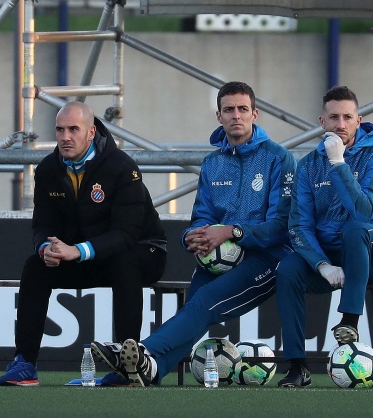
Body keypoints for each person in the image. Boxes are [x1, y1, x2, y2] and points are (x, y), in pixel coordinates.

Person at [92, 81, 296, 387]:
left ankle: (138, 353)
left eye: (243, 109)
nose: (236, 116)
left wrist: (232, 231)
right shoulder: (213, 163)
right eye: (229, 110)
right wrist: (192, 236)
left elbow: (281, 225)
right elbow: (203, 216)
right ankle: (149, 371)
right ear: (219, 116)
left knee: (204, 303)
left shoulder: (279, 158)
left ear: (255, 114)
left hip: (269, 257)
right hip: (221, 257)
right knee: (195, 308)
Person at [0, 101, 167, 386]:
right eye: (60, 130)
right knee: (35, 266)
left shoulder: (122, 167)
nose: (65, 137)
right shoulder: (48, 169)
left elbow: (126, 234)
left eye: (73, 129)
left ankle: (129, 366)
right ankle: (25, 363)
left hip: (145, 251)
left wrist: (77, 250)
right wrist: (46, 249)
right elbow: (42, 225)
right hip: (89, 256)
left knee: (123, 258)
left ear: (91, 132)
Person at [276, 86, 373, 388]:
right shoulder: (307, 165)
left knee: (354, 229)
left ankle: (349, 322)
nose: (340, 124)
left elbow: (363, 211)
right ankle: (297, 366)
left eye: (347, 117)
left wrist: (338, 163)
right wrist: (321, 265)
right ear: (322, 122)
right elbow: (299, 225)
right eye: (334, 117)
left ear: (359, 121)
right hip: (332, 259)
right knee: (288, 269)